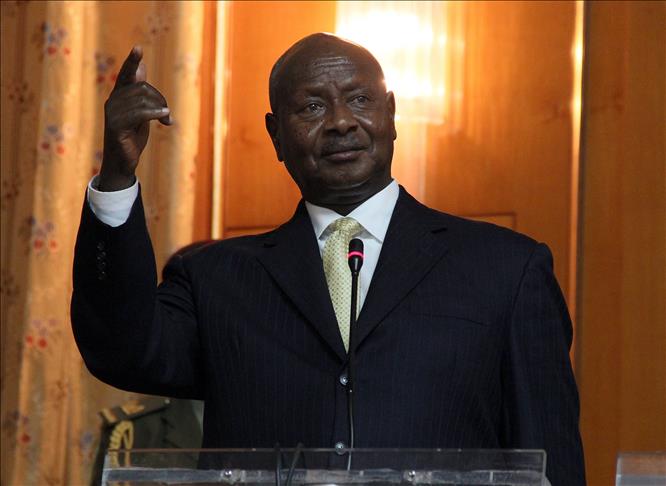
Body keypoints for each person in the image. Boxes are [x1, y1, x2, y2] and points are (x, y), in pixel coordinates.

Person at [71, 33, 585, 484]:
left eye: (359, 99)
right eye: (312, 107)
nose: (341, 122)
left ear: (390, 115)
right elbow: (121, 349)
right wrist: (116, 173)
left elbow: (549, 460)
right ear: (275, 135)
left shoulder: (506, 269)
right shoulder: (216, 279)